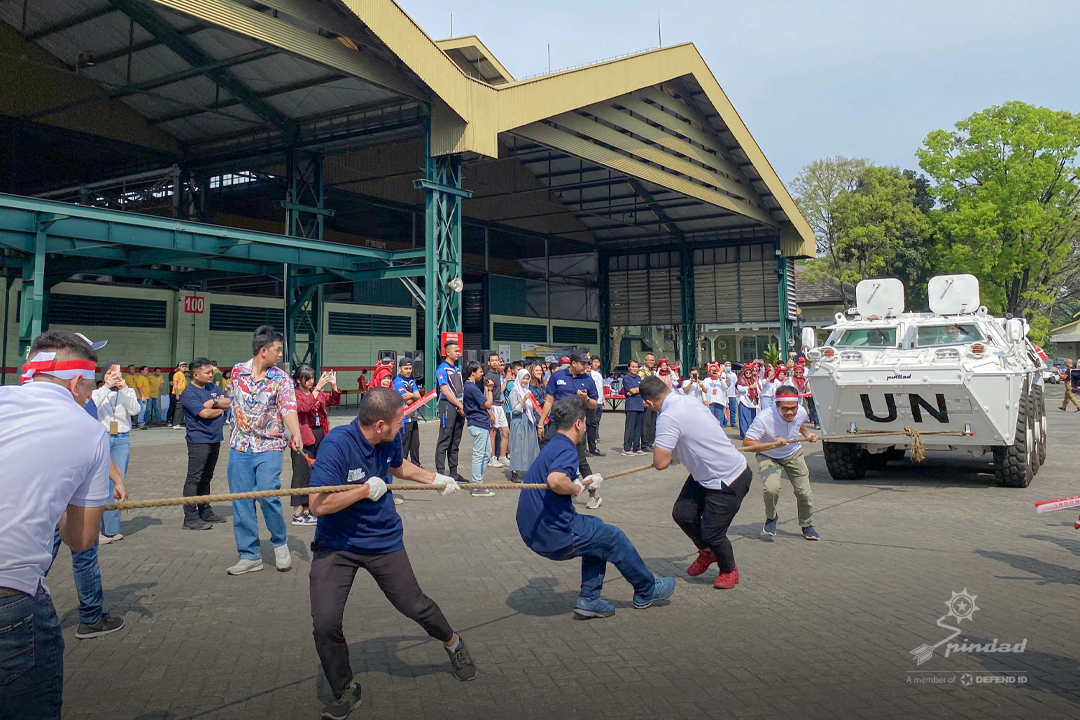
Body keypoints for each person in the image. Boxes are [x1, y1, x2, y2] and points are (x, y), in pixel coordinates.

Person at [308, 388, 471, 718]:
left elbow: (398, 467)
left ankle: (454, 642)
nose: (403, 426)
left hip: (382, 540)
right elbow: (317, 505)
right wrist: (364, 490)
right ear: (379, 424)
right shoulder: (337, 445)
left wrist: (436, 479)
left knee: (414, 605)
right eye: (399, 421)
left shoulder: (389, 440)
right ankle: (344, 689)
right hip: (337, 544)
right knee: (324, 623)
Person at [0, 330, 115, 718]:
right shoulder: (90, 432)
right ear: (77, 381)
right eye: (90, 387)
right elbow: (81, 539)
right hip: (10, 600)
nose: (89, 396)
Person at [516, 395, 675, 618]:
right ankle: (646, 589)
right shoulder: (567, 449)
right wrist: (575, 488)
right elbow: (555, 480)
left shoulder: (553, 445)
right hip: (553, 533)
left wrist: (581, 482)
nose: (585, 428)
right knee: (614, 537)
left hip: (531, 529)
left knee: (598, 531)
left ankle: (589, 599)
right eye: (585, 422)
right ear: (578, 423)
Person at [640, 375, 753, 590]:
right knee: (683, 513)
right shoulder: (689, 399)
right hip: (704, 475)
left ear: (648, 402)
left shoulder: (667, 417)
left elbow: (660, 463)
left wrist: (666, 453)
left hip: (727, 478)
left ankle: (728, 569)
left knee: (713, 533)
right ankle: (707, 552)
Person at [225, 326, 303, 576]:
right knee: (241, 500)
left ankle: (280, 543)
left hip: (269, 445)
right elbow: (233, 401)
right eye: (277, 350)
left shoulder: (281, 378)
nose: (280, 354)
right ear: (263, 351)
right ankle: (249, 555)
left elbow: (288, 407)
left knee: (268, 493)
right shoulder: (238, 371)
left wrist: (296, 433)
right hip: (240, 445)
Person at [743, 385, 821, 541]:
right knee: (771, 489)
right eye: (785, 409)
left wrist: (807, 434)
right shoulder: (764, 418)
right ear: (777, 405)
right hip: (768, 455)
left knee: (804, 493)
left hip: (793, 453)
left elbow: (798, 422)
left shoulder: (800, 412)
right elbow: (747, 443)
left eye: (793, 408)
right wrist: (773, 445)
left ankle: (807, 524)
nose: (790, 412)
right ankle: (771, 517)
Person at [538, 350, 601, 509]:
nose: (586, 366)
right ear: (573, 363)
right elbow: (549, 400)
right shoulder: (557, 376)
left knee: (580, 459)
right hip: (557, 423)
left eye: (587, 364)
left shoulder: (588, 380)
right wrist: (541, 422)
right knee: (547, 449)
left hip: (576, 425)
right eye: (583, 363)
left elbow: (594, 404)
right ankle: (552, 488)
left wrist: (586, 398)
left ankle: (594, 494)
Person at [91, 361, 141, 545]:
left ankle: (111, 530)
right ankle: (94, 529)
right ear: (104, 375)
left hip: (121, 439)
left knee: (117, 480)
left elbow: (135, 410)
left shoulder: (127, 391)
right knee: (98, 481)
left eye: (118, 373)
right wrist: (106, 387)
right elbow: (92, 406)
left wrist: (124, 388)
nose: (115, 376)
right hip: (102, 436)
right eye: (110, 372)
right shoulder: (97, 392)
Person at [180, 357, 230, 531]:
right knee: (194, 478)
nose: (211, 375)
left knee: (206, 478)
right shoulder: (189, 393)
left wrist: (214, 403)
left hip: (215, 439)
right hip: (199, 441)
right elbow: (204, 414)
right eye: (207, 372)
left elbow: (229, 402)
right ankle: (190, 517)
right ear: (196, 375)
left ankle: (205, 510)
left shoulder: (212, 388)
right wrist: (219, 408)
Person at [291, 364, 341, 525]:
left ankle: (309, 509)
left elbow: (333, 400)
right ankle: (297, 512)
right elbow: (305, 407)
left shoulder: (316, 392)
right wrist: (318, 387)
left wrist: (333, 386)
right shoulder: (295, 394)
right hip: (303, 437)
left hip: (320, 435)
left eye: (313, 378)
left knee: (314, 473)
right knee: (300, 474)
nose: (311, 382)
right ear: (298, 380)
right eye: (307, 379)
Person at [463, 361, 496, 497]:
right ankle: (477, 485)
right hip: (478, 423)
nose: (482, 374)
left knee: (487, 452)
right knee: (479, 454)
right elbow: (487, 404)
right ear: (473, 372)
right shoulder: (471, 387)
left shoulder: (472, 387)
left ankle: (479, 481)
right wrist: (490, 390)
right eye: (480, 371)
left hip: (481, 423)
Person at [434, 340, 466, 483]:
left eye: (459, 350)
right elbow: (445, 391)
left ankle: (454, 472)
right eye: (455, 351)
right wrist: (459, 405)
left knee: (455, 441)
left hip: (459, 407)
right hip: (448, 406)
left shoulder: (457, 369)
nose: (458, 353)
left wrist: (462, 405)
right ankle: (440, 472)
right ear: (447, 352)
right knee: (444, 439)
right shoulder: (442, 369)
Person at [508, 366, 540, 483]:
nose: (525, 381)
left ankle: (531, 470)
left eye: (527, 378)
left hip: (529, 421)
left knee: (531, 446)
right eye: (523, 378)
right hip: (519, 421)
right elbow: (515, 409)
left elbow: (531, 408)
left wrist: (535, 406)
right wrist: (523, 400)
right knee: (517, 447)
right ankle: (514, 472)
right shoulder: (514, 391)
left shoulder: (528, 391)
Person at [393, 358, 422, 465]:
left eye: (410, 368)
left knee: (415, 444)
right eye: (406, 368)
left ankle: (416, 465)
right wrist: (413, 396)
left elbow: (418, 397)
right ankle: (401, 466)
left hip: (413, 417)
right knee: (404, 444)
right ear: (400, 369)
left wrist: (412, 395)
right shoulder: (397, 382)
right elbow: (408, 400)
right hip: (404, 419)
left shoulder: (411, 381)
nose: (409, 371)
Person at [485, 353, 509, 468]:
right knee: (493, 433)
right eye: (492, 360)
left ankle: (502, 456)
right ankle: (492, 458)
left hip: (499, 405)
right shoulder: (488, 376)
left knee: (506, 432)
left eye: (496, 360)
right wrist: (489, 411)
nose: (495, 362)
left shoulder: (498, 374)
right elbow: (486, 393)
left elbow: (499, 391)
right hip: (493, 406)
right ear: (489, 363)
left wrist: (507, 380)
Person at [621, 360, 645, 456]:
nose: (635, 369)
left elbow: (637, 390)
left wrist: (637, 390)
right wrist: (640, 389)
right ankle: (627, 448)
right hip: (631, 406)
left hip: (640, 405)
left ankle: (636, 447)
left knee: (638, 428)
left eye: (636, 367)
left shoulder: (638, 378)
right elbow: (632, 390)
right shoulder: (626, 378)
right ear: (629, 368)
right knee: (630, 428)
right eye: (633, 367)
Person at [735, 363, 761, 439]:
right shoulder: (741, 379)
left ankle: (751, 434)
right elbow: (740, 388)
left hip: (752, 402)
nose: (748, 374)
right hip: (744, 401)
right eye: (747, 372)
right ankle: (744, 435)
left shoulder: (754, 379)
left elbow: (758, 388)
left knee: (752, 419)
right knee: (744, 419)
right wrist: (749, 387)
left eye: (750, 372)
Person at [587, 357, 606, 457]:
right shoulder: (587, 376)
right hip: (590, 402)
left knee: (595, 424)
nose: (595, 364)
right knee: (589, 425)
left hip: (598, 401)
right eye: (593, 362)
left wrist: (603, 398)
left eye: (597, 362)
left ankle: (593, 446)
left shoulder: (598, 374)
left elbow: (600, 388)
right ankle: (586, 448)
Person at [639, 353, 657, 451]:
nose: (651, 362)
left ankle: (650, 442)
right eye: (649, 360)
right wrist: (643, 399)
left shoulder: (653, 372)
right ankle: (645, 444)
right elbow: (641, 387)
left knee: (653, 423)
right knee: (646, 423)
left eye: (653, 360)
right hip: (646, 399)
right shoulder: (641, 372)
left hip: (654, 400)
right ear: (645, 361)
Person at [169, 361, 188, 428]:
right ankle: (175, 423)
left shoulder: (183, 375)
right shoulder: (177, 374)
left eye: (185, 366)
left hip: (182, 393)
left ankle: (179, 422)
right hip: (177, 393)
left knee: (181, 408)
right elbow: (175, 384)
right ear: (179, 367)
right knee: (178, 408)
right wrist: (177, 394)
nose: (184, 368)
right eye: (182, 366)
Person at [725, 362, 739, 431]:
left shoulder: (733, 375)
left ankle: (733, 423)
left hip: (732, 394)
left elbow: (736, 383)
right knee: (725, 409)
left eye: (729, 365)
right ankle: (724, 422)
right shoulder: (722, 374)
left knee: (733, 409)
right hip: (725, 394)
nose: (728, 367)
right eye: (726, 365)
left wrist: (736, 390)